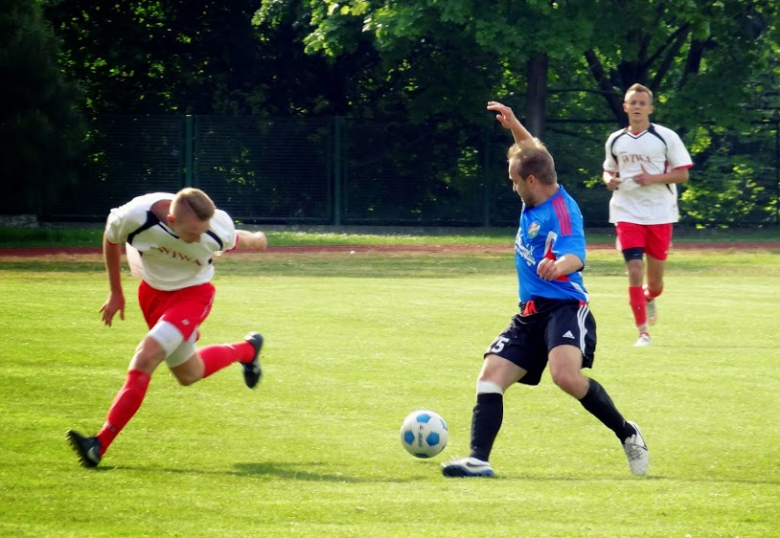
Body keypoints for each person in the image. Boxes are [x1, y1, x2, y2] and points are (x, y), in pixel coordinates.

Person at [441, 101, 649, 479]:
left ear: (532, 181)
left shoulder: (563, 211)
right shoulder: (538, 182)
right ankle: (478, 460)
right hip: (530, 313)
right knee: (490, 376)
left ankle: (626, 432)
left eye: (515, 181)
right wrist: (514, 125)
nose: (513, 186)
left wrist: (558, 266)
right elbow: (534, 154)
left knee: (565, 377)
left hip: (565, 307)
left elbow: (577, 255)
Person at [66, 188, 268, 468]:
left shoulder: (215, 228)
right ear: (172, 221)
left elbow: (235, 238)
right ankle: (248, 350)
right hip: (152, 294)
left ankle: (98, 444)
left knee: (145, 356)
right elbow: (111, 237)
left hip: (192, 295)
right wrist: (116, 292)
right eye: (193, 233)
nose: (200, 238)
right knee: (189, 373)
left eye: (204, 230)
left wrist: (256, 239)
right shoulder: (136, 216)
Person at [602, 83, 693, 347]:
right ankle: (643, 332)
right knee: (634, 268)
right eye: (633, 102)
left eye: (642, 103)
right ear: (625, 107)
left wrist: (653, 178)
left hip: (659, 213)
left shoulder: (666, 137)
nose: (637, 107)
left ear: (650, 108)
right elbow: (608, 169)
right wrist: (608, 179)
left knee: (655, 283)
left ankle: (649, 296)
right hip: (626, 211)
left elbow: (682, 174)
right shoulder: (615, 139)